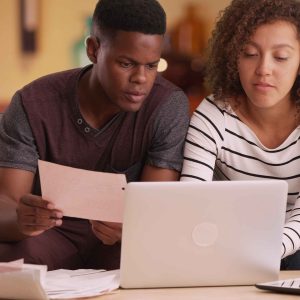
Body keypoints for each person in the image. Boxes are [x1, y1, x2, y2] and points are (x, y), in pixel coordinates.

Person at [0, 0, 189, 270]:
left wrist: (132, 227)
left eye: (151, 66)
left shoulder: (167, 106)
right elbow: (6, 202)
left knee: (159, 259)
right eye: (126, 64)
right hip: (49, 238)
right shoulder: (33, 104)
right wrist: (22, 218)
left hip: (120, 247)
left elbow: (156, 212)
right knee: (10, 257)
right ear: (93, 49)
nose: (141, 79)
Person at [181, 0, 300, 270]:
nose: (263, 70)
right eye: (249, 53)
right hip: (228, 248)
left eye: (280, 57)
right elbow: (190, 201)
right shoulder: (214, 114)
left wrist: (265, 250)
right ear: (233, 56)